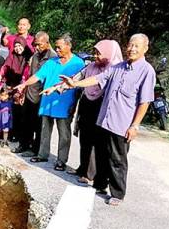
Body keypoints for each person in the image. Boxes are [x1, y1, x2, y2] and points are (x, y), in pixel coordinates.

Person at [60, 34, 156, 206]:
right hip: (105, 119)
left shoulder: (147, 71)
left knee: (118, 159)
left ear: (145, 49)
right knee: (102, 154)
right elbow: (97, 79)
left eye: (136, 46)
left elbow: (145, 101)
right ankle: (100, 184)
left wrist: (135, 125)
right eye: (130, 45)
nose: (132, 49)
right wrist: (74, 84)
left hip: (122, 123)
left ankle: (117, 193)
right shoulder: (118, 67)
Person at [44, 39, 123, 183]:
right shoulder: (91, 66)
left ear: (108, 53)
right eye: (95, 53)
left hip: (101, 106)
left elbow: (98, 83)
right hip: (86, 104)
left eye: (99, 53)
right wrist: (55, 88)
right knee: (84, 138)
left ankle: (90, 174)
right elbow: (74, 79)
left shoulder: (113, 69)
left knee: (95, 141)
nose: (96, 56)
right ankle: (83, 168)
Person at [15, 34, 85, 171]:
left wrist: (73, 105)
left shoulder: (78, 64)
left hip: (64, 104)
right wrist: (24, 85)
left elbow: (79, 88)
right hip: (47, 101)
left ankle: (61, 160)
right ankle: (42, 154)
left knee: (64, 134)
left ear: (68, 46)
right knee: (44, 130)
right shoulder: (52, 62)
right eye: (56, 47)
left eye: (59, 47)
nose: (57, 50)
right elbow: (37, 76)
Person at [12, 31, 57, 156]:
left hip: (42, 96)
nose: (37, 47)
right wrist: (24, 90)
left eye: (39, 45)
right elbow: (30, 75)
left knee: (39, 126)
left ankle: (35, 150)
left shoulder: (53, 58)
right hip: (30, 93)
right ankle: (24, 145)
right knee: (26, 122)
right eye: (35, 45)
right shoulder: (35, 56)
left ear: (47, 43)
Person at [0, 37, 31, 142]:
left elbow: (28, 73)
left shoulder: (29, 57)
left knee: (21, 113)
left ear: (24, 46)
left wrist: (22, 87)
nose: (17, 48)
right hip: (11, 86)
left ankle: (20, 135)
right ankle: (10, 133)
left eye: (19, 46)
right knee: (10, 111)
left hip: (23, 87)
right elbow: (5, 67)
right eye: (15, 46)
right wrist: (0, 75)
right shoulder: (12, 56)